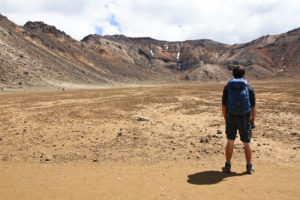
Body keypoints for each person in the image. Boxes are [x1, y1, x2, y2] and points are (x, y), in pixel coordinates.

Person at [221, 66, 256, 174]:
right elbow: (253, 107)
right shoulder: (249, 87)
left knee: (230, 141)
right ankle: (249, 167)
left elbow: (224, 106)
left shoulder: (228, 87)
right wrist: (252, 121)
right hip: (245, 117)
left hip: (231, 117)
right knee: (246, 142)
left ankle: (227, 165)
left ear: (233, 74)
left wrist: (226, 118)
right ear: (244, 74)